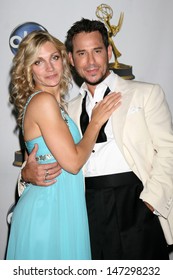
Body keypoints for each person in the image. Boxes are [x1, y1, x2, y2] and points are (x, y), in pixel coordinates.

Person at [18, 18, 173, 260]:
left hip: (135, 206)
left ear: (109, 52)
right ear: (71, 58)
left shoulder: (146, 93)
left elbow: (168, 151)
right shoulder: (64, 109)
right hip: (82, 209)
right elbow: (39, 157)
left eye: (97, 51)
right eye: (81, 53)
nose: (90, 62)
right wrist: (26, 176)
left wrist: (150, 203)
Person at [6, 29, 121, 260]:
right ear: (29, 70)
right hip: (47, 215)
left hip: (61, 209)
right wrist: (95, 122)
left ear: (64, 59)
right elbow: (74, 162)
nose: (49, 68)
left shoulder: (60, 107)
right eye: (38, 62)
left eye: (54, 58)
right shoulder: (43, 101)